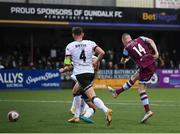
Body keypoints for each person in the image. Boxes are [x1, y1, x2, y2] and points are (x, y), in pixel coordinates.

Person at [63, 27, 112, 126]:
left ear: (73, 35)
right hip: (90, 73)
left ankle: (106, 110)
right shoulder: (90, 43)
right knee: (76, 92)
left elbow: (67, 61)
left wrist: (66, 67)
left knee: (92, 97)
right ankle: (76, 117)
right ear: (83, 34)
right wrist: (96, 62)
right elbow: (102, 52)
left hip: (81, 74)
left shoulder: (70, 46)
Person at [108, 33, 159, 123]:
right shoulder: (140, 38)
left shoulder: (126, 48)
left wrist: (124, 60)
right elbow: (150, 41)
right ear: (130, 38)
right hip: (151, 62)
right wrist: (156, 52)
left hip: (145, 66)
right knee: (134, 77)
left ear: (124, 41)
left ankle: (148, 111)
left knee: (141, 90)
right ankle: (117, 92)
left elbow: (123, 61)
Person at [60, 55, 99, 124]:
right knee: (83, 98)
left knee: (78, 94)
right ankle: (81, 115)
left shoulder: (81, 56)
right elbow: (96, 71)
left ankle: (77, 115)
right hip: (87, 81)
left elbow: (70, 65)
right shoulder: (94, 58)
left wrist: (64, 69)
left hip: (81, 79)